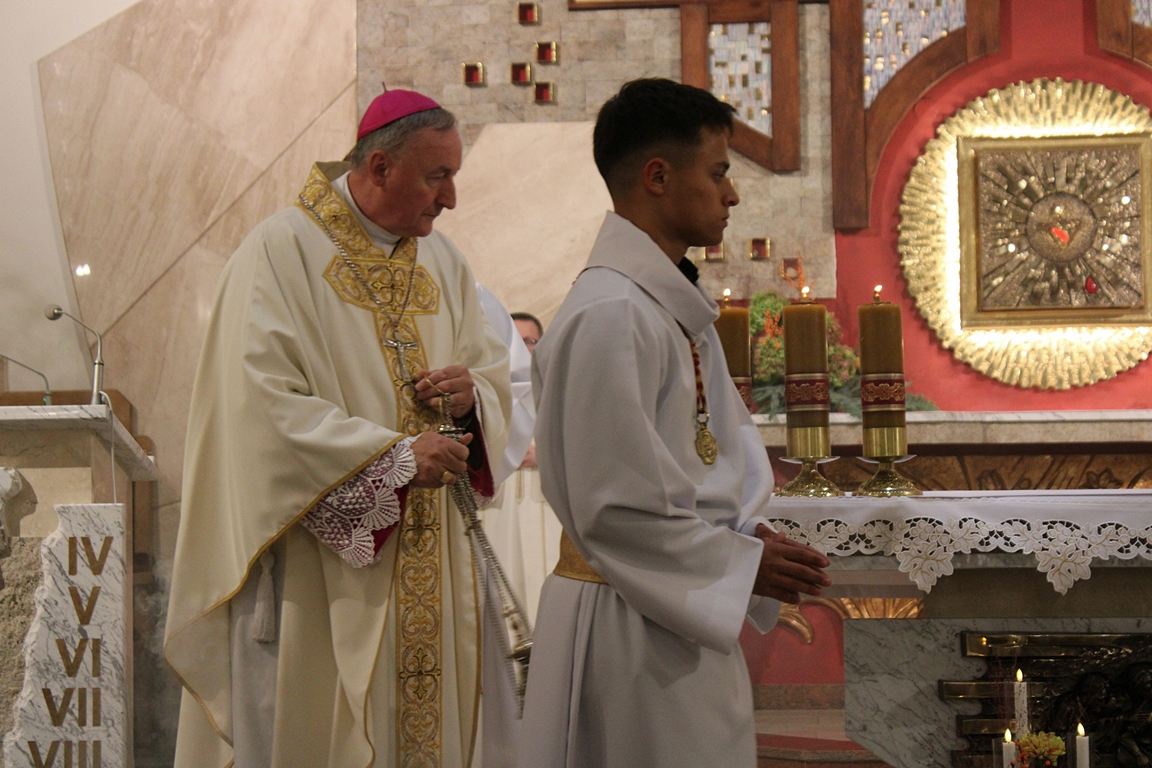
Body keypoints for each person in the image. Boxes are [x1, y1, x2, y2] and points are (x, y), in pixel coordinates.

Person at [164, 89, 511, 768]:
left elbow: (492, 377)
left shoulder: (444, 263)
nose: (450, 199)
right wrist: (395, 459)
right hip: (317, 576)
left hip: (434, 563)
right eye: (437, 177)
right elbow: (256, 406)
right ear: (380, 166)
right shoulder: (279, 251)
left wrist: (471, 402)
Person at [517, 78, 831, 768]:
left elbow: (708, 458)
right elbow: (612, 510)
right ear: (658, 177)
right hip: (626, 625)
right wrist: (739, 563)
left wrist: (746, 531)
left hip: (668, 610)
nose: (732, 195)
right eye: (717, 173)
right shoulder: (612, 315)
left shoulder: (665, 308)